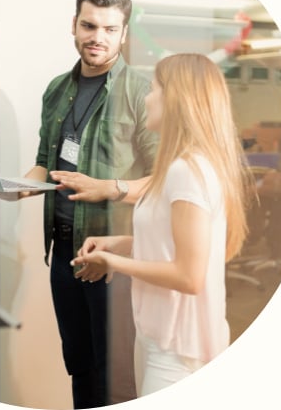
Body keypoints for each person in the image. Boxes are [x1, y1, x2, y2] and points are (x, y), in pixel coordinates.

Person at [0, 0, 157, 408]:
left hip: (113, 253)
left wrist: (110, 189)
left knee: (114, 375)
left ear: (124, 34)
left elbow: (162, 176)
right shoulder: (57, 89)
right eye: (90, 25)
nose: (98, 37)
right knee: (78, 363)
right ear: (74, 25)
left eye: (110, 29)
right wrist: (13, 189)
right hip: (63, 250)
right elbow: (46, 162)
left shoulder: (141, 91)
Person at [63, 53, 254, 396]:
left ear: (176, 99)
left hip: (179, 351)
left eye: (153, 90)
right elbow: (170, 242)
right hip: (158, 337)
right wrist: (119, 243)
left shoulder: (188, 171)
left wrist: (113, 263)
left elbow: (189, 276)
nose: (147, 98)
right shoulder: (180, 167)